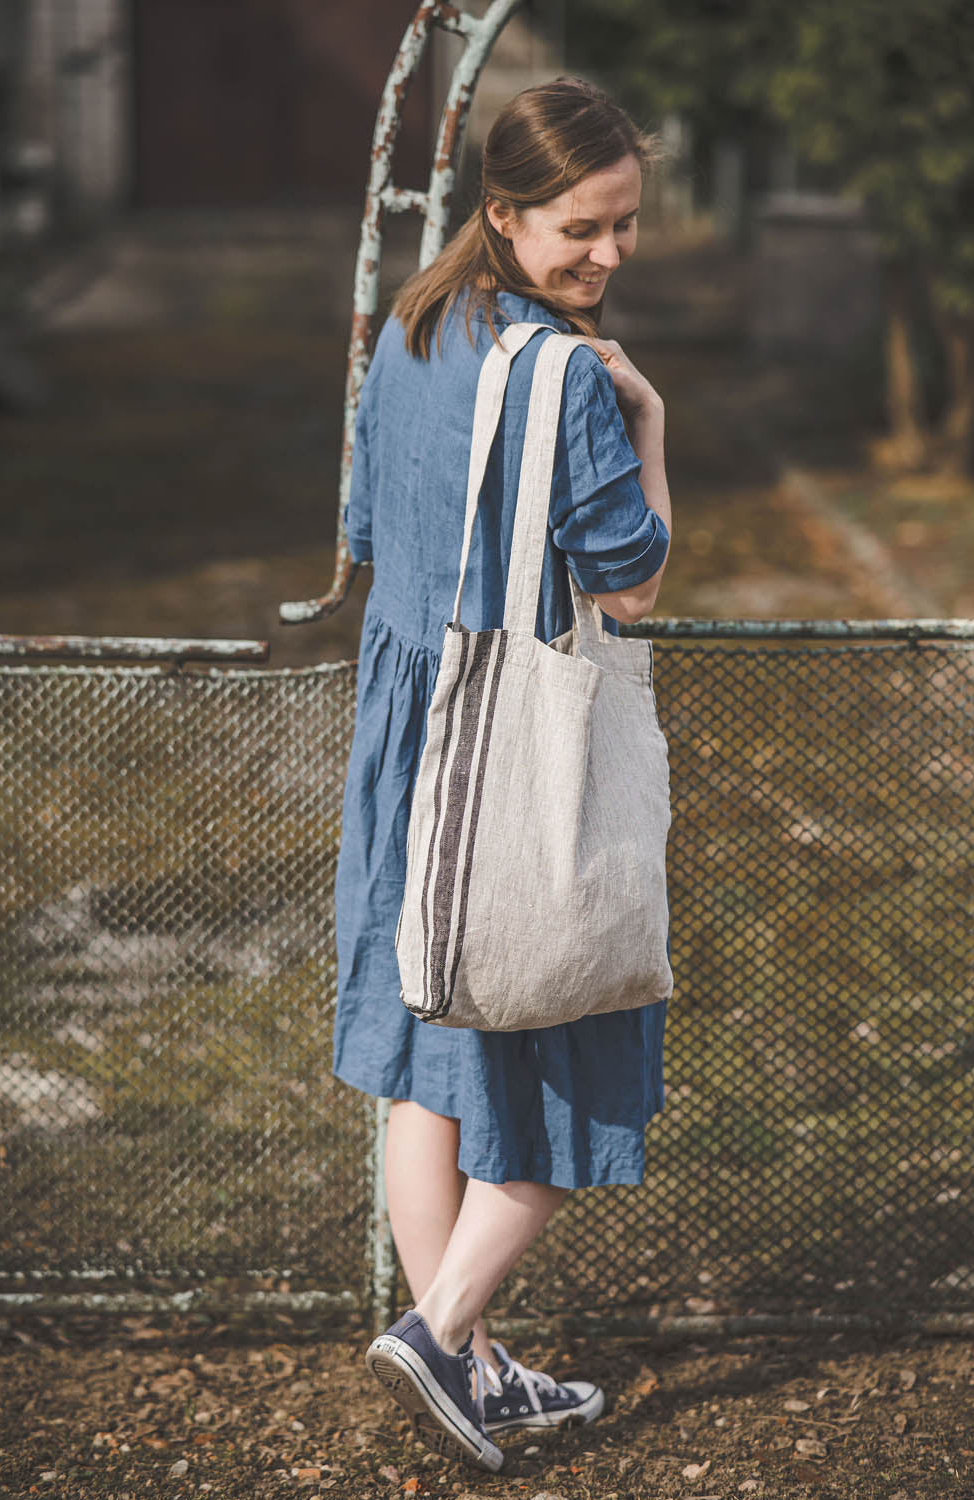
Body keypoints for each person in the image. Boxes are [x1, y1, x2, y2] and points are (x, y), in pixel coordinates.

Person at [333, 77, 672, 1472]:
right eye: (584, 229)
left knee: (433, 1050)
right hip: (516, 761)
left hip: (408, 732)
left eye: (627, 226)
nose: (609, 255)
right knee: (561, 1040)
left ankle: (464, 1364)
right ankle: (441, 1328)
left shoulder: (413, 331)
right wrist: (647, 417)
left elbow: (363, 519)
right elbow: (635, 585)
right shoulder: (573, 378)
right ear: (505, 211)